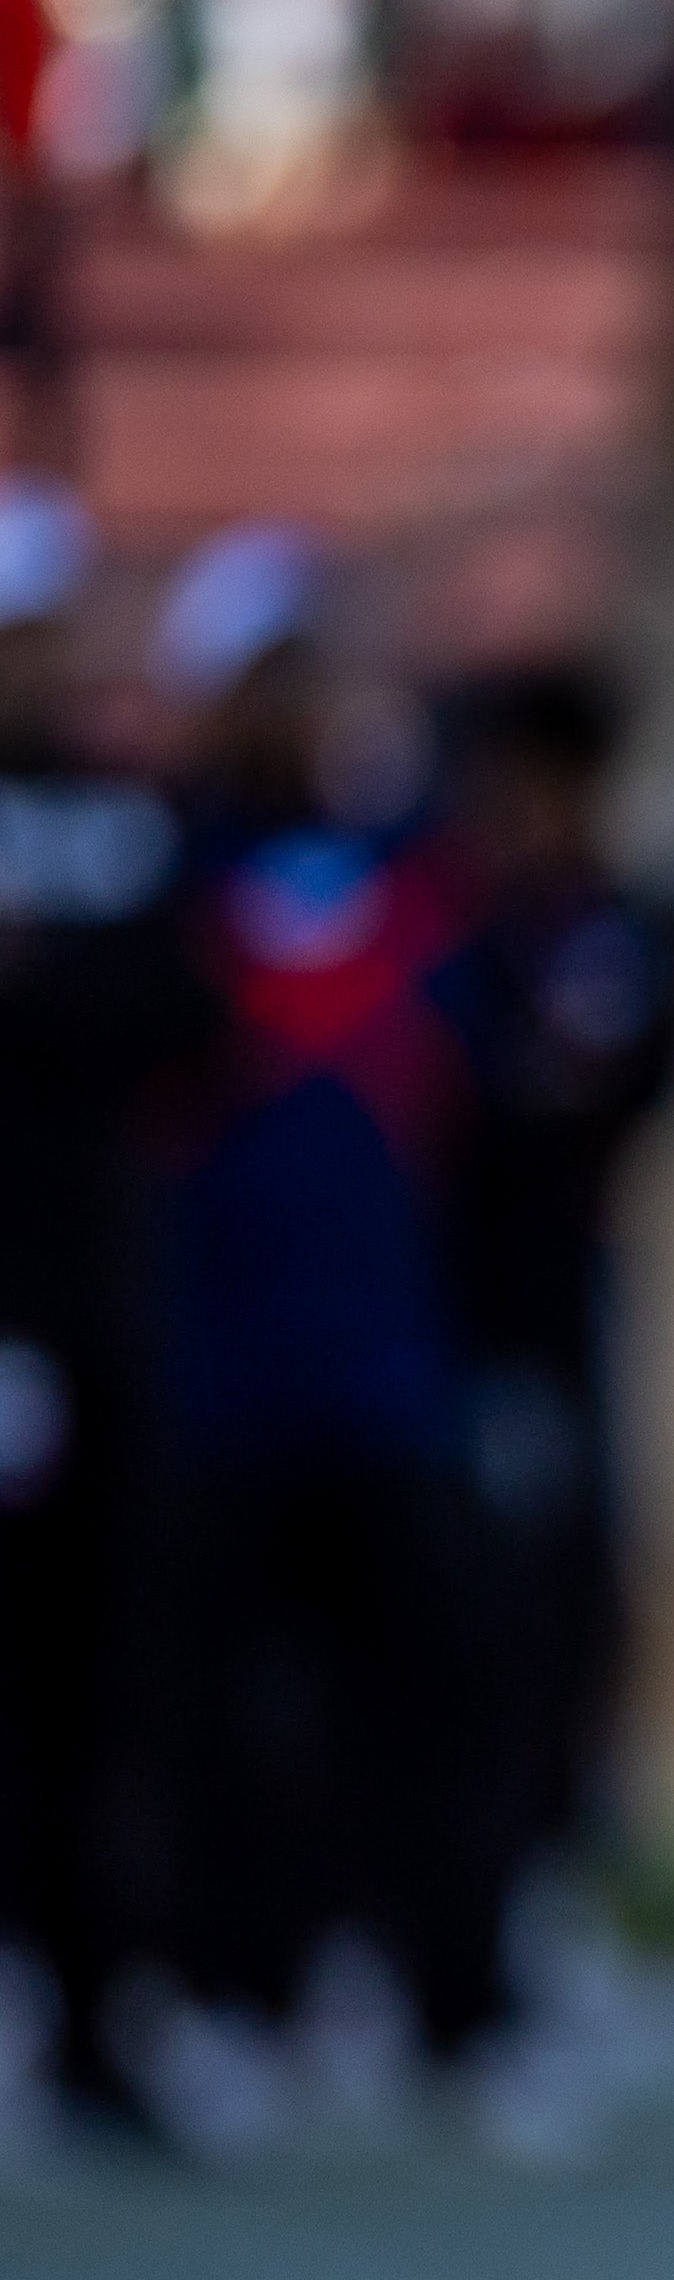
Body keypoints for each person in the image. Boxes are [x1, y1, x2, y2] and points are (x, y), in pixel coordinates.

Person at [137, 522, 531, 2141]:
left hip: (388, 1358)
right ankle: (233, 1988)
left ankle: (459, 2004)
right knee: (212, 1702)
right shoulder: (170, 881)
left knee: (435, 1689)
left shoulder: (434, 882)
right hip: (216, 1357)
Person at [0, 480, 215, 2133]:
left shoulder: (128, 812)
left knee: (99, 1686)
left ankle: (94, 2013)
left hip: (94, 1300)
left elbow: (176, 1023)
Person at [428, 660, 674, 1913]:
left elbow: (622, 1089)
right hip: (424, 1303)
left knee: (557, 1601)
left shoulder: (612, 929)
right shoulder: (447, 921)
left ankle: (531, 1880)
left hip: (553, 1300)